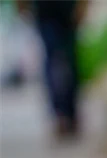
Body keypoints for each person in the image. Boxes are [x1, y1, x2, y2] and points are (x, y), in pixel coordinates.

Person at [15, 0, 89, 139]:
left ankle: (69, 111)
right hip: (46, 10)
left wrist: (83, 5)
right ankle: (61, 113)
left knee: (68, 59)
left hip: (66, 10)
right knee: (54, 59)